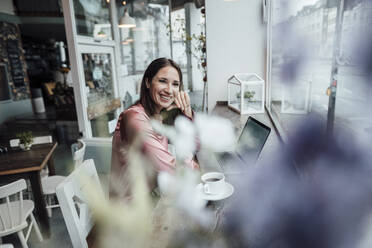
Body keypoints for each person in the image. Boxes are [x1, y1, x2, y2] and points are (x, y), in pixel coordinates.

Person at [110, 58, 199, 197]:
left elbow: (195, 144)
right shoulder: (134, 118)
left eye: (175, 84)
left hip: (153, 195)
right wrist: (199, 170)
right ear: (147, 82)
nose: (169, 90)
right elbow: (171, 168)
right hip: (131, 209)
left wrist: (187, 111)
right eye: (163, 81)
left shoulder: (159, 116)